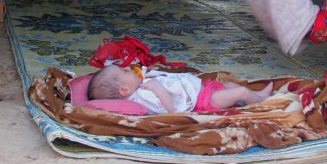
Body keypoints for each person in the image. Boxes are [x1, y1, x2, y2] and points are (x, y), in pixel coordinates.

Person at [88, 64, 274, 114]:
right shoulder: (143, 96)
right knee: (238, 92)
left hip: (202, 88)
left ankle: (255, 95)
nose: (128, 68)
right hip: (203, 101)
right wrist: (156, 87)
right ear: (124, 91)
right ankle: (264, 102)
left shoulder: (142, 83)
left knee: (231, 85)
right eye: (123, 71)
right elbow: (170, 110)